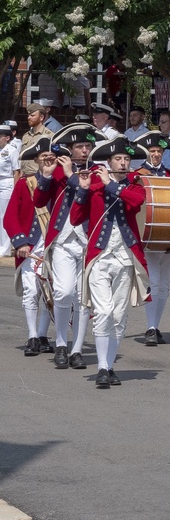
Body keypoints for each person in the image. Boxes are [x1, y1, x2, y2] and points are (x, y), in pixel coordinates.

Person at [71, 137, 150, 388]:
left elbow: (135, 202)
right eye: (118, 159)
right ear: (108, 161)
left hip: (126, 257)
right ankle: (103, 367)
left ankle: (109, 365)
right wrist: (83, 190)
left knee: (118, 316)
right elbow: (75, 218)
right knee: (103, 312)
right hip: (99, 257)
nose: (123, 163)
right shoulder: (93, 185)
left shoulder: (135, 186)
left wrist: (108, 184)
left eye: (126, 159)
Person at [34, 124, 105, 368]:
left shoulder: (98, 172)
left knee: (83, 297)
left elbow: (93, 192)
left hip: (88, 241)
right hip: (63, 241)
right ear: (70, 149)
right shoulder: (56, 171)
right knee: (64, 292)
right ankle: (61, 342)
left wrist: (69, 176)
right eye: (80, 147)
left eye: (88, 146)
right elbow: (39, 201)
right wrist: (44, 175)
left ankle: (76, 349)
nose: (85, 151)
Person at [3, 139, 59, 356]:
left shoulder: (61, 183)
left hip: (55, 245)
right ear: (36, 160)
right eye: (42, 156)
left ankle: (44, 335)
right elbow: (10, 218)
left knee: (51, 293)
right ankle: (33, 336)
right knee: (32, 291)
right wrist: (21, 242)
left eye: (50, 155)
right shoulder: (24, 183)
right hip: (31, 246)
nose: (47, 159)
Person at [133, 131, 170, 345]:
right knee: (153, 282)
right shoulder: (138, 175)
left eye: (159, 151)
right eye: (152, 151)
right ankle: (150, 327)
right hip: (149, 236)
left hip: (169, 237)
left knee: (164, 285)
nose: (156, 155)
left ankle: (156, 324)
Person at [20, 103, 56, 176]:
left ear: (41, 117)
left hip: (39, 176)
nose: (29, 117)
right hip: (24, 176)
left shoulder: (49, 135)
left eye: (32, 115)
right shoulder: (26, 136)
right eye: (28, 115)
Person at [0, 124, 19, 256]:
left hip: (6, 182)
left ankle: (5, 248)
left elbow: (16, 172)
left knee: (3, 215)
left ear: (7, 138)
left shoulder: (12, 150)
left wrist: (15, 190)